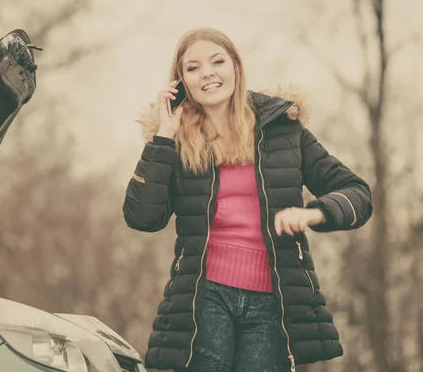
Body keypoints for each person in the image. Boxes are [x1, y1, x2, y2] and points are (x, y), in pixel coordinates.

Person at [122, 27, 373, 372]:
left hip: (273, 301)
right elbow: (141, 217)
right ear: (180, 82)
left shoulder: (283, 130)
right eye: (193, 68)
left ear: (236, 67)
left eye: (217, 61)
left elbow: (357, 193)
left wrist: (313, 213)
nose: (207, 72)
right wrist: (163, 136)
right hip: (205, 298)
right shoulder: (176, 143)